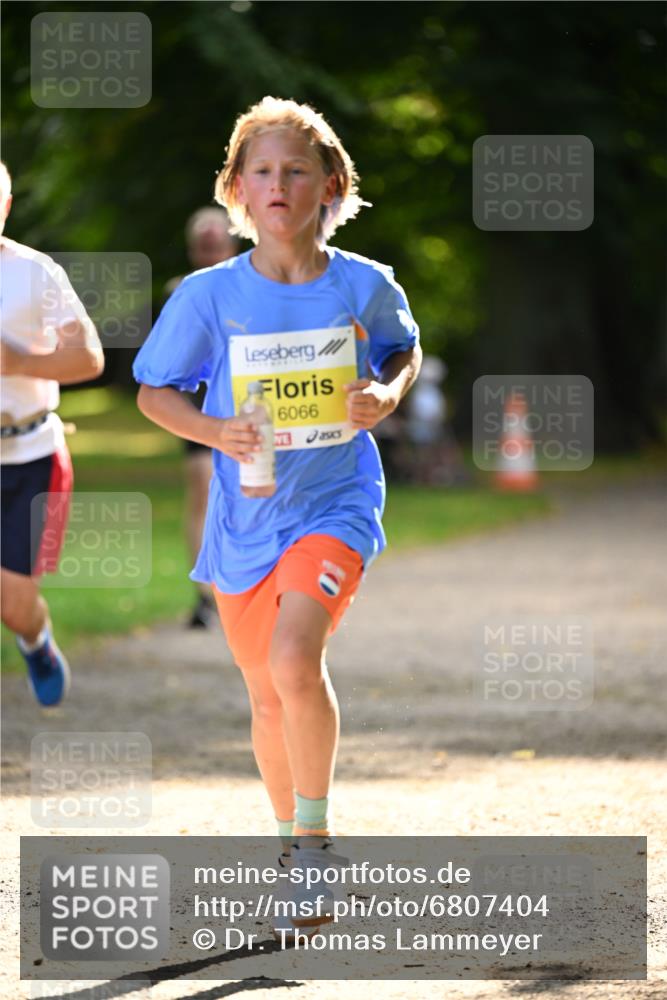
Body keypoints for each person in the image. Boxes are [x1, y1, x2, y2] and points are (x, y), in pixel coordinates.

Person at [133, 97, 422, 934]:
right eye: (260, 170)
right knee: (265, 697)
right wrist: (213, 429)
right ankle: (292, 848)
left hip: (335, 502)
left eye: (295, 169)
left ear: (329, 184)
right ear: (236, 187)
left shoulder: (364, 283)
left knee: (296, 661)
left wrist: (384, 391)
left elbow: (402, 348)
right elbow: (153, 391)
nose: (278, 185)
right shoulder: (207, 294)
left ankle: (319, 840)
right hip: (245, 515)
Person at [0, 161, 104, 705]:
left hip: (30, 454)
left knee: (13, 603)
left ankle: (35, 640)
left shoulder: (35, 274)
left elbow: (88, 358)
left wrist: (17, 361)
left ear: (7, 205)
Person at [164, 207, 241, 628]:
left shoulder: (256, 284)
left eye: (217, 245)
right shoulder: (181, 290)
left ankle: (249, 586)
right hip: (199, 411)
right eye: (203, 246)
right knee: (203, 492)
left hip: (252, 406)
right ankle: (205, 596)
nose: (210, 253)